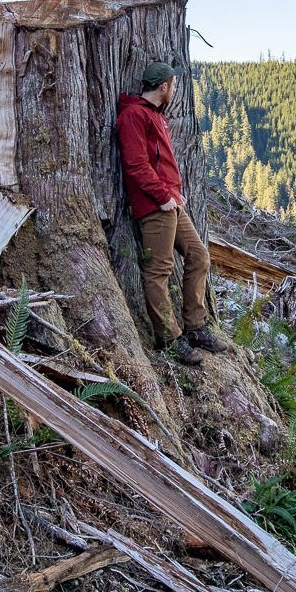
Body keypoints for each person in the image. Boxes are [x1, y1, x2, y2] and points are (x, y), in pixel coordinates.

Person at [115, 60, 226, 364]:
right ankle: (170, 338)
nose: (174, 91)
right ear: (163, 87)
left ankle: (196, 327)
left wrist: (175, 194)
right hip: (155, 206)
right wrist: (164, 196)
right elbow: (136, 165)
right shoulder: (134, 116)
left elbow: (160, 162)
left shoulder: (155, 116)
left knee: (199, 256)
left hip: (171, 203)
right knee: (158, 271)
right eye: (173, 86)